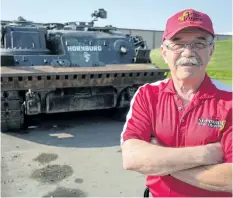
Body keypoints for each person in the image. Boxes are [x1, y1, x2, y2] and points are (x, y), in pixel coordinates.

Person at [120, 8, 232, 197]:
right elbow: (131, 158)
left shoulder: (229, 100)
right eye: (178, 44)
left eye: (199, 43)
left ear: (211, 51)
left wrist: (160, 158)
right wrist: (205, 154)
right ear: (164, 52)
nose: (188, 52)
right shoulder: (147, 95)